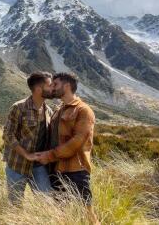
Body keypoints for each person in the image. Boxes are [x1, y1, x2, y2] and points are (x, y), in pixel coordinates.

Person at [35, 72, 100, 224]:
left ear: (67, 86)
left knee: (88, 214)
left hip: (76, 170)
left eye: (55, 84)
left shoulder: (83, 110)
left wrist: (49, 156)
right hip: (57, 170)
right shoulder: (58, 111)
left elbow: (77, 142)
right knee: (61, 215)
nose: (52, 88)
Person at [2, 71, 54, 205]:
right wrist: (26, 154)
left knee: (47, 203)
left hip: (39, 166)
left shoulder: (49, 111)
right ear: (38, 89)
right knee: (15, 204)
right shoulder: (19, 107)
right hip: (17, 165)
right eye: (49, 85)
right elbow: (7, 134)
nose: (53, 88)